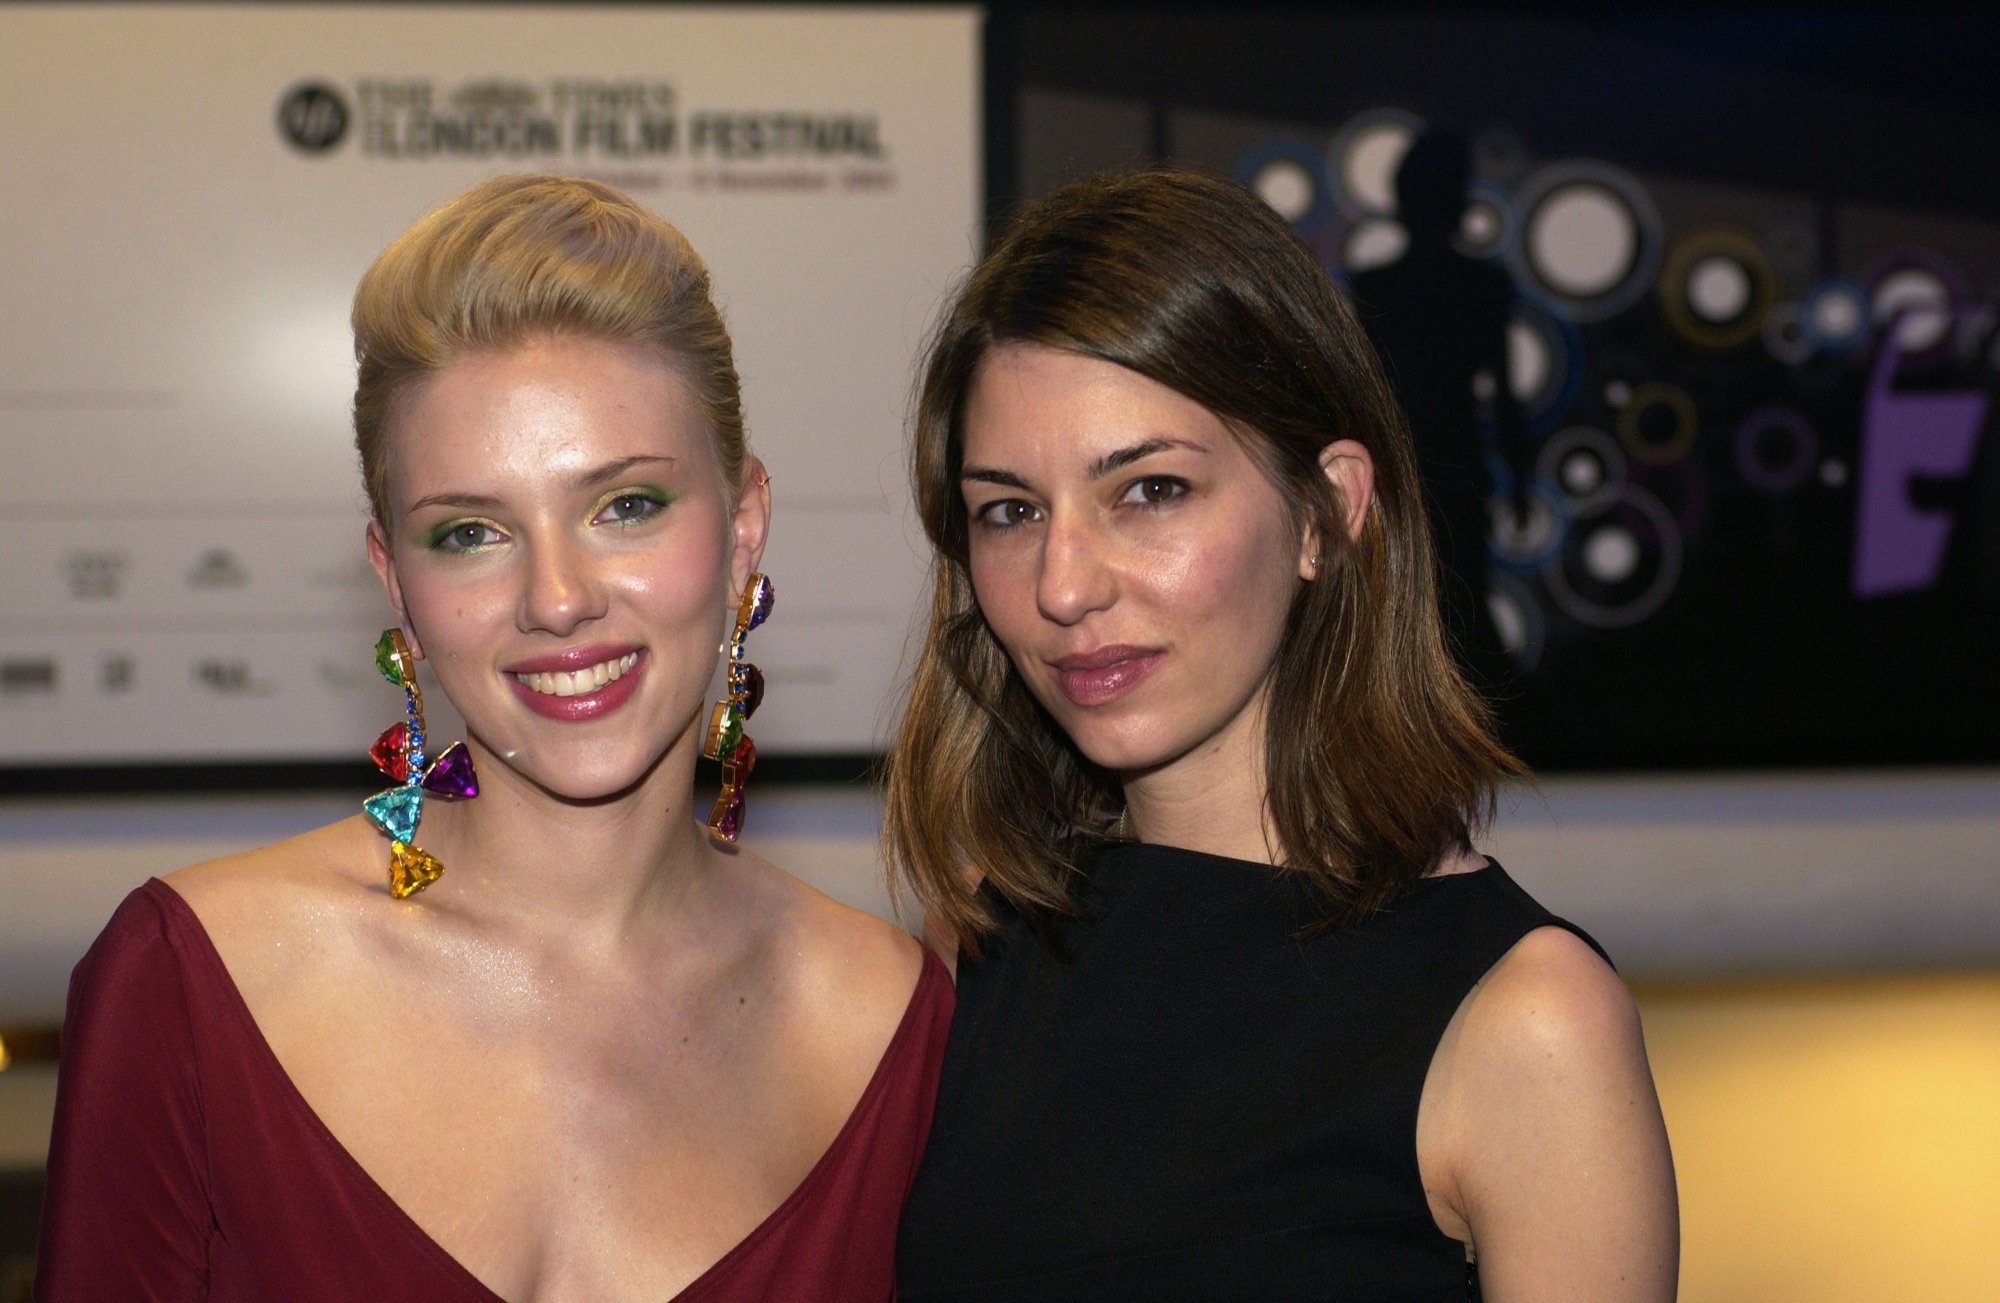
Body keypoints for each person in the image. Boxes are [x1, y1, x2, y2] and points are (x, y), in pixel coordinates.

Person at [37, 174, 949, 1301]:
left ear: (742, 524)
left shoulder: (895, 1025)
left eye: (625, 506)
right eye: (470, 531)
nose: (556, 599)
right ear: (394, 578)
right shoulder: (191, 981)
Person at [885, 168, 1676, 1301]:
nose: (1061, 586)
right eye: (1009, 511)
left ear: (1325, 509)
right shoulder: (978, 936)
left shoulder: (1525, 1022)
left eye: (1148, 491)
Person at [1349, 129, 1532, 692]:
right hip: (1443, 466)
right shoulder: (1479, 284)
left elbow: (1361, 399)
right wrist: (1520, 478)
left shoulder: (1380, 286)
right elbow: (1502, 393)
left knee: (1426, 612)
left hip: (1408, 472)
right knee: (1459, 607)